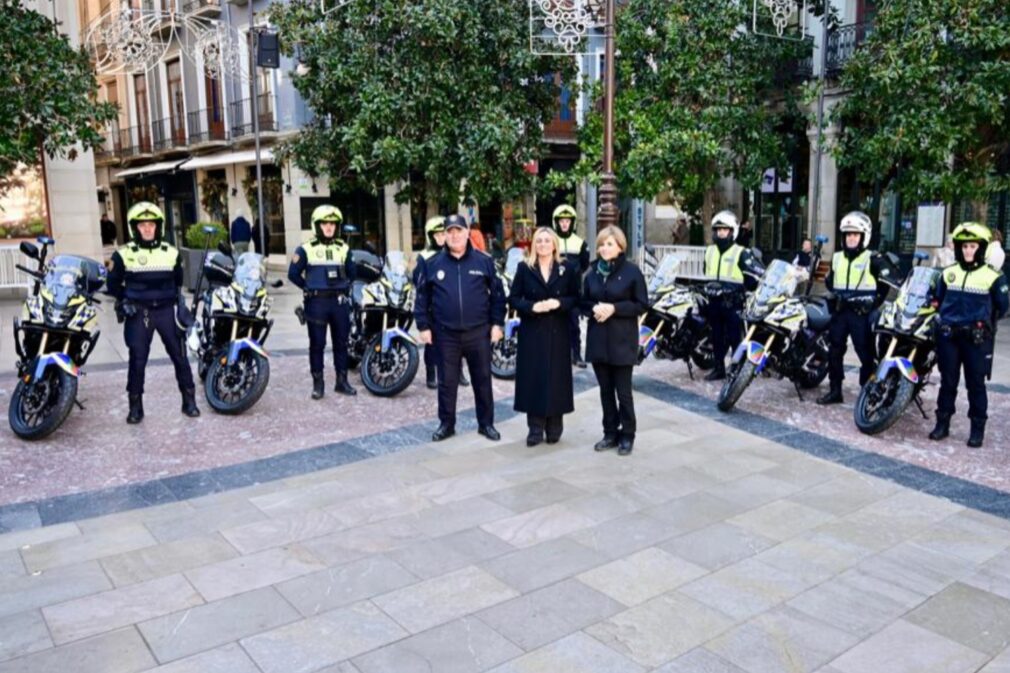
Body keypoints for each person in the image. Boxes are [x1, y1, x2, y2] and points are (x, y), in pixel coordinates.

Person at [414, 214, 506, 442]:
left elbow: (498, 296)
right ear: (444, 235)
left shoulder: (484, 261)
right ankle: (447, 424)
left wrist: (497, 324)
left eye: (459, 231)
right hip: (445, 334)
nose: (454, 235)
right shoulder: (432, 263)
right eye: (450, 231)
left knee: (483, 380)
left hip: (479, 333)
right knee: (447, 382)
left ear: (467, 233)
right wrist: (423, 326)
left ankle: (486, 424)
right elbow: (421, 297)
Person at [106, 201, 200, 424]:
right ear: (134, 228)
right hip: (140, 313)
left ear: (158, 226)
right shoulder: (123, 255)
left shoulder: (172, 253)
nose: (147, 228)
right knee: (137, 361)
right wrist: (124, 300)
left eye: (151, 224)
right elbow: (112, 284)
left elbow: (178, 281)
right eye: (142, 225)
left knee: (180, 357)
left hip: (167, 311)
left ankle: (189, 401)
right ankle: (135, 406)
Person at [929, 222, 1008, 447]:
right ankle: (942, 423)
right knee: (948, 382)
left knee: (976, 384)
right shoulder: (948, 273)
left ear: (981, 248)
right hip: (949, 338)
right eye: (964, 246)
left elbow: (1003, 307)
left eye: (972, 246)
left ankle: (977, 429)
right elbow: (938, 300)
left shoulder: (993, 276)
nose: (968, 251)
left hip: (976, 339)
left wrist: (983, 323)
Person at [510, 227, 581, 446]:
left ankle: (555, 426)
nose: (542, 244)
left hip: (558, 330)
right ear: (533, 245)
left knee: (557, 377)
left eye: (546, 240)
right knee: (534, 378)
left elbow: (576, 298)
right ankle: (535, 428)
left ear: (554, 244)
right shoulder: (524, 268)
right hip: (533, 332)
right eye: (538, 241)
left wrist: (559, 303)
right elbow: (513, 299)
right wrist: (532, 307)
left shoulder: (566, 268)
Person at [582, 225, 648, 456]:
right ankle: (610, 432)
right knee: (605, 391)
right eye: (601, 244)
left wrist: (614, 308)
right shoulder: (592, 273)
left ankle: (627, 435)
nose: (604, 248)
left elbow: (641, 304)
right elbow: (583, 303)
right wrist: (595, 309)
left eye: (609, 244)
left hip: (622, 340)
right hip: (599, 340)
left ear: (620, 246)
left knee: (623, 392)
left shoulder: (631, 272)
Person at [817, 211, 894, 405]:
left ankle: (867, 391)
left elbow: (885, 284)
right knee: (835, 352)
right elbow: (830, 281)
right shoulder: (836, 258)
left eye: (855, 234)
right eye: (848, 234)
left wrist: (874, 303)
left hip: (861, 314)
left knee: (866, 354)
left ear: (863, 236)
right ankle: (835, 390)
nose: (851, 238)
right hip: (841, 311)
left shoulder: (873, 258)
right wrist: (834, 294)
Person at [288, 204, 357, 399]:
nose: (329, 227)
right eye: (325, 223)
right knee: (317, 344)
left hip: (339, 303)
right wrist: (307, 287)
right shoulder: (306, 249)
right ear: (317, 226)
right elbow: (293, 274)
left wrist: (344, 285)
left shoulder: (343, 248)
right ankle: (318, 384)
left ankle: (341, 382)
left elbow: (353, 273)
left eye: (333, 224)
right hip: (316, 303)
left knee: (341, 343)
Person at [702, 210, 764, 381]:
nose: (721, 233)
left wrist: (741, 290)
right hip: (714, 301)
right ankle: (719, 368)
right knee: (716, 337)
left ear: (732, 231)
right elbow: (705, 272)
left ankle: (736, 371)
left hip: (732, 303)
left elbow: (752, 278)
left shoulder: (741, 252)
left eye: (725, 229)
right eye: (718, 229)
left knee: (735, 337)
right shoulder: (709, 251)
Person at [552, 204, 590, 368]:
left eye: (567, 221)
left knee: (574, 325)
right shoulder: (552, 241)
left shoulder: (580, 242)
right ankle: (558, 355)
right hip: (555, 291)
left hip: (573, 292)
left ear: (572, 222)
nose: (565, 224)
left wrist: (573, 276)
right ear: (557, 222)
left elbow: (585, 264)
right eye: (562, 221)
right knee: (555, 325)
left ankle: (576, 354)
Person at [415, 216, 446, 389]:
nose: (441, 238)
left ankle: (459, 373)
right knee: (431, 342)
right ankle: (430, 373)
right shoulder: (424, 256)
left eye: (444, 234)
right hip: (432, 305)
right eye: (437, 235)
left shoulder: (453, 253)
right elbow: (417, 279)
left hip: (449, 305)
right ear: (431, 236)